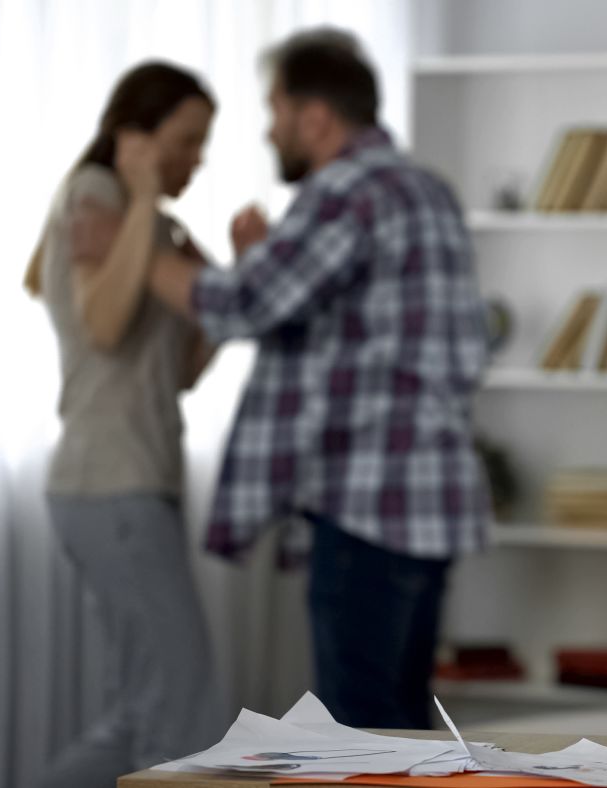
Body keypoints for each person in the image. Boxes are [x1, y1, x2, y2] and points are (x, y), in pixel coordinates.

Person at [147, 28, 490, 730]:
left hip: (367, 505)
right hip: (432, 503)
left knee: (358, 739)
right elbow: (352, 327)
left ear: (314, 116)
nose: (270, 130)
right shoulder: (426, 188)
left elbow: (244, 305)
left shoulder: (346, 190)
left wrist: (149, 254)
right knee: (404, 735)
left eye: (274, 111)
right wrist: (261, 260)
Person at [24, 61, 224, 786]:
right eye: (186, 141)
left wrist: (221, 294)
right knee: (186, 715)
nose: (196, 160)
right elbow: (104, 327)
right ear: (132, 135)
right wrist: (143, 197)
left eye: (204, 145)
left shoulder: (155, 222)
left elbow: (175, 374)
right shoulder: (97, 196)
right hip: (109, 483)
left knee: (149, 713)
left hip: (135, 482)